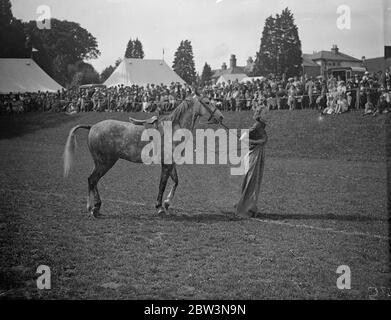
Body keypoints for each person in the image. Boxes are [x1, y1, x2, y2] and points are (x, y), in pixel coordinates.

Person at [235, 107, 268, 218]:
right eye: (265, 113)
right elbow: (243, 138)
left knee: (254, 181)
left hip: (258, 154)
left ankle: (249, 206)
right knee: (251, 181)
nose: (267, 114)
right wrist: (258, 141)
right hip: (254, 154)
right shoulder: (257, 125)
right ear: (259, 114)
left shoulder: (261, 125)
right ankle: (245, 208)